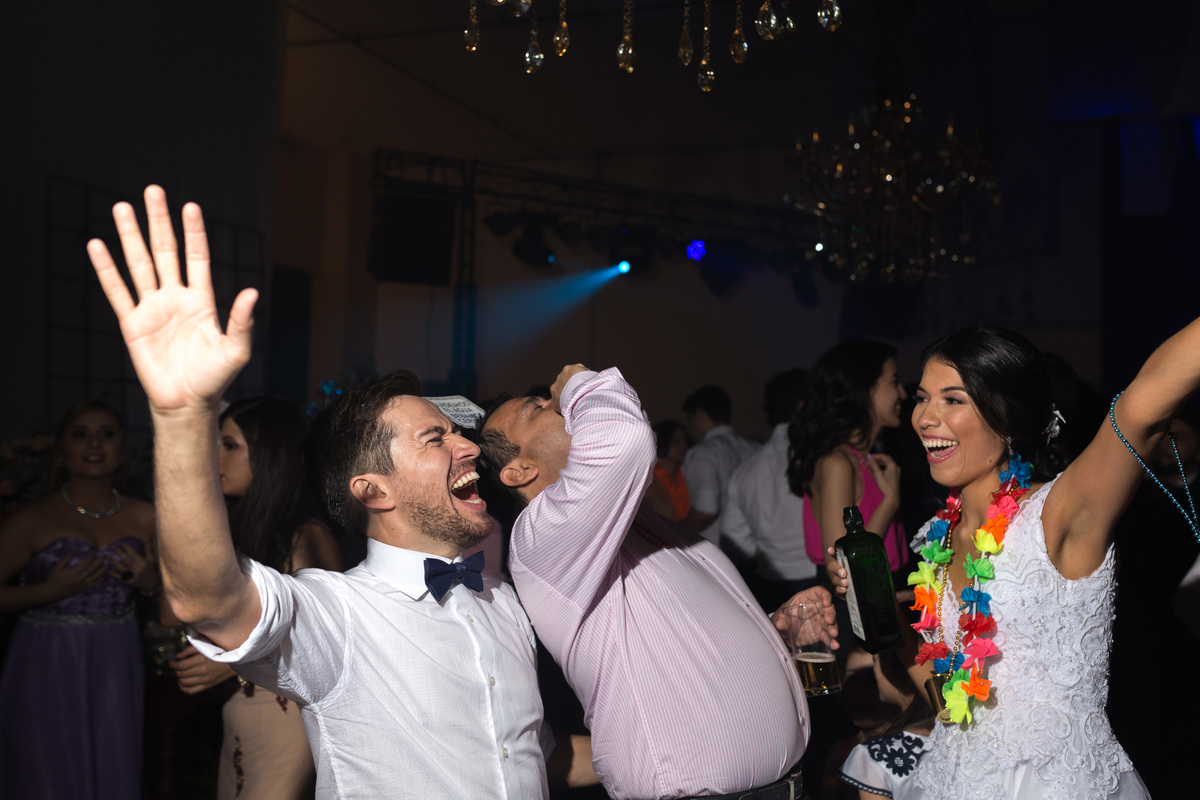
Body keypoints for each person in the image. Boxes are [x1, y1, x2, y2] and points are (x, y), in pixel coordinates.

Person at [86, 186, 555, 799]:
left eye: (458, 433)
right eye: (434, 437)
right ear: (373, 490)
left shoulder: (504, 602)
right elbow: (209, 600)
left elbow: (527, 756)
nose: (468, 447)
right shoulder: (338, 615)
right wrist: (182, 418)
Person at [479, 364, 837, 800]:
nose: (557, 405)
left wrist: (772, 628)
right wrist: (575, 381)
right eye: (537, 409)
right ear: (519, 471)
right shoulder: (540, 538)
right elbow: (626, 437)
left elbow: (681, 635)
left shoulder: (635, 523)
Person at [882, 324, 1177, 798]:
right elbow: (947, 698)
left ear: (1005, 417)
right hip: (950, 782)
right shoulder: (937, 540)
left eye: (952, 400)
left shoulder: (1057, 515)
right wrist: (874, 597)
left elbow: (1141, 405)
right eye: (922, 398)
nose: (924, 418)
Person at [168, 397, 343, 800]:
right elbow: (170, 611)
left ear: (269, 454)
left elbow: (329, 636)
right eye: (215, 443)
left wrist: (231, 663)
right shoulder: (238, 526)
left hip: (284, 706)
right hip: (240, 706)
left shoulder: (305, 533)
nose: (215, 456)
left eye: (229, 445)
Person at [0, 400, 157, 799]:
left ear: (123, 448)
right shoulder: (32, 518)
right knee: (46, 765)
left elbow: (180, 596)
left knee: (113, 756)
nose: (94, 443)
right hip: (45, 658)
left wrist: (149, 581)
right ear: (61, 449)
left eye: (107, 433)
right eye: (80, 434)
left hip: (116, 656)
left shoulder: (148, 516)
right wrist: (46, 592)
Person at [787, 341, 908, 593]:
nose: (902, 393)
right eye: (894, 381)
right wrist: (891, 500)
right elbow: (843, 570)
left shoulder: (864, 458)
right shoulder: (837, 463)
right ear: (865, 389)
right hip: (855, 608)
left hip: (881, 595)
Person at [721, 368, 819, 611]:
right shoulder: (821, 458)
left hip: (769, 586)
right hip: (818, 578)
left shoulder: (745, 470)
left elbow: (733, 539)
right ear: (803, 405)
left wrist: (771, 554)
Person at [679, 384, 759, 542]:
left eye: (689, 420)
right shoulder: (755, 448)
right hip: (755, 543)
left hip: (717, 546)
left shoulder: (703, 453)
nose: (690, 428)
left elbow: (706, 510)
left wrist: (673, 534)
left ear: (700, 415)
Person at [644, 420, 690, 522]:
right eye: (677, 440)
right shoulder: (648, 479)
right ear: (665, 441)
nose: (683, 446)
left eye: (685, 440)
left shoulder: (687, 473)